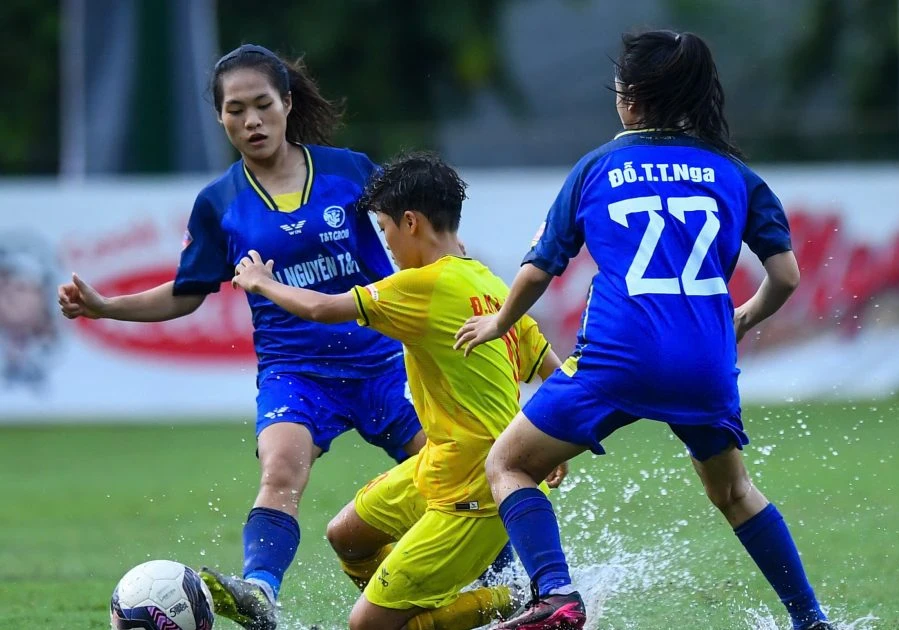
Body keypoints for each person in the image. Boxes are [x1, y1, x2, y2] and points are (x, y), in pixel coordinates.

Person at [455, 29, 836, 630]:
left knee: (509, 464)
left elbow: (537, 271)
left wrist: (499, 321)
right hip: (705, 363)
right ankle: (809, 618)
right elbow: (785, 276)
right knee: (734, 494)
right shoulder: (734, 173)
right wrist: (742, 319)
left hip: (620, 357)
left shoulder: (599, 167)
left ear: (629, 98)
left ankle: (555, 595)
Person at [57, 44, 426, 630]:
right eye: (235, 110)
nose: (251, 121)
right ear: (221, 117)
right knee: (280, 471)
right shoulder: (219, 203)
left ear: (286, 103)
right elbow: (186, 292)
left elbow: (413, 242)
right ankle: (260, 593)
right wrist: (105, 306)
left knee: (445, 470)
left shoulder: (350, 171)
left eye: (262, 105)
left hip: (383, 360)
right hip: (296, 372)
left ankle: (508, 578)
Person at [230, 151, 567, 630]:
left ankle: (507, 601)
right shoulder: (488, 282)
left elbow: (323, 308)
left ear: (410, 222)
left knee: (365, 626)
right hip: (443, 465)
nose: (385, 242)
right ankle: (423, 603)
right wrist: (551, 439)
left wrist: (262, 282)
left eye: (385, 229)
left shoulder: (422, 284)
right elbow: (549, 367)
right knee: (347, 535)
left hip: (475, 491)